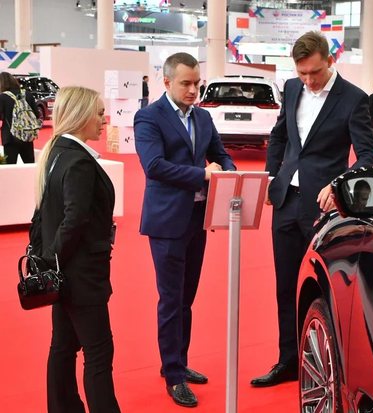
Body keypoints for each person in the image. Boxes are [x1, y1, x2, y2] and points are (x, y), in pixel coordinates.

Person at [252, 31, 373, 388]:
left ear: (330, 61)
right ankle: (288, 361)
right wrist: (270, 176)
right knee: (285, 286)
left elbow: (367, 156)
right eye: (303, 73)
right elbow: (280, 136)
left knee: (326, 289)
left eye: (315, 72)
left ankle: (327, 365)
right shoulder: (292, 88)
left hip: (323, 209)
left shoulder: (354, 98)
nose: (309, 80)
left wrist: (338, 186)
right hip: (285, 201)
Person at [134, 52, 236, 408]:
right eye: (186, 84)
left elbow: (221, 155)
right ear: (167, 82)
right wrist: (204, 174)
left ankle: (177, 361)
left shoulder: (203, 117)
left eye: (197, 83)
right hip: (166, 221)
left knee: (186, 300)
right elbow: (154, 166)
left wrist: (229, 171)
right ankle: (174, 376)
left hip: (197, 219)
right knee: (171, 300)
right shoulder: (149, 117)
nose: (193, 90)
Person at [38, 86, 120, 413]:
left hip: (66, 275)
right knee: (98, 355)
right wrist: (52, 260)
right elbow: (73, 220)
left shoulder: (56, 152)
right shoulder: (78, 161)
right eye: (99, 113)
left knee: (63, 347)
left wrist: (47, 261)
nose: (104, 120)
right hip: (82, 276)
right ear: (82, 115)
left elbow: (42, 213)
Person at [0, 71, 38, 164]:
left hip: (10, 137)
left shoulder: (3, 97)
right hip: (27, 134)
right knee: (29, 165)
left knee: (10, 166)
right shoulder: (27, 95)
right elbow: (36, 114)